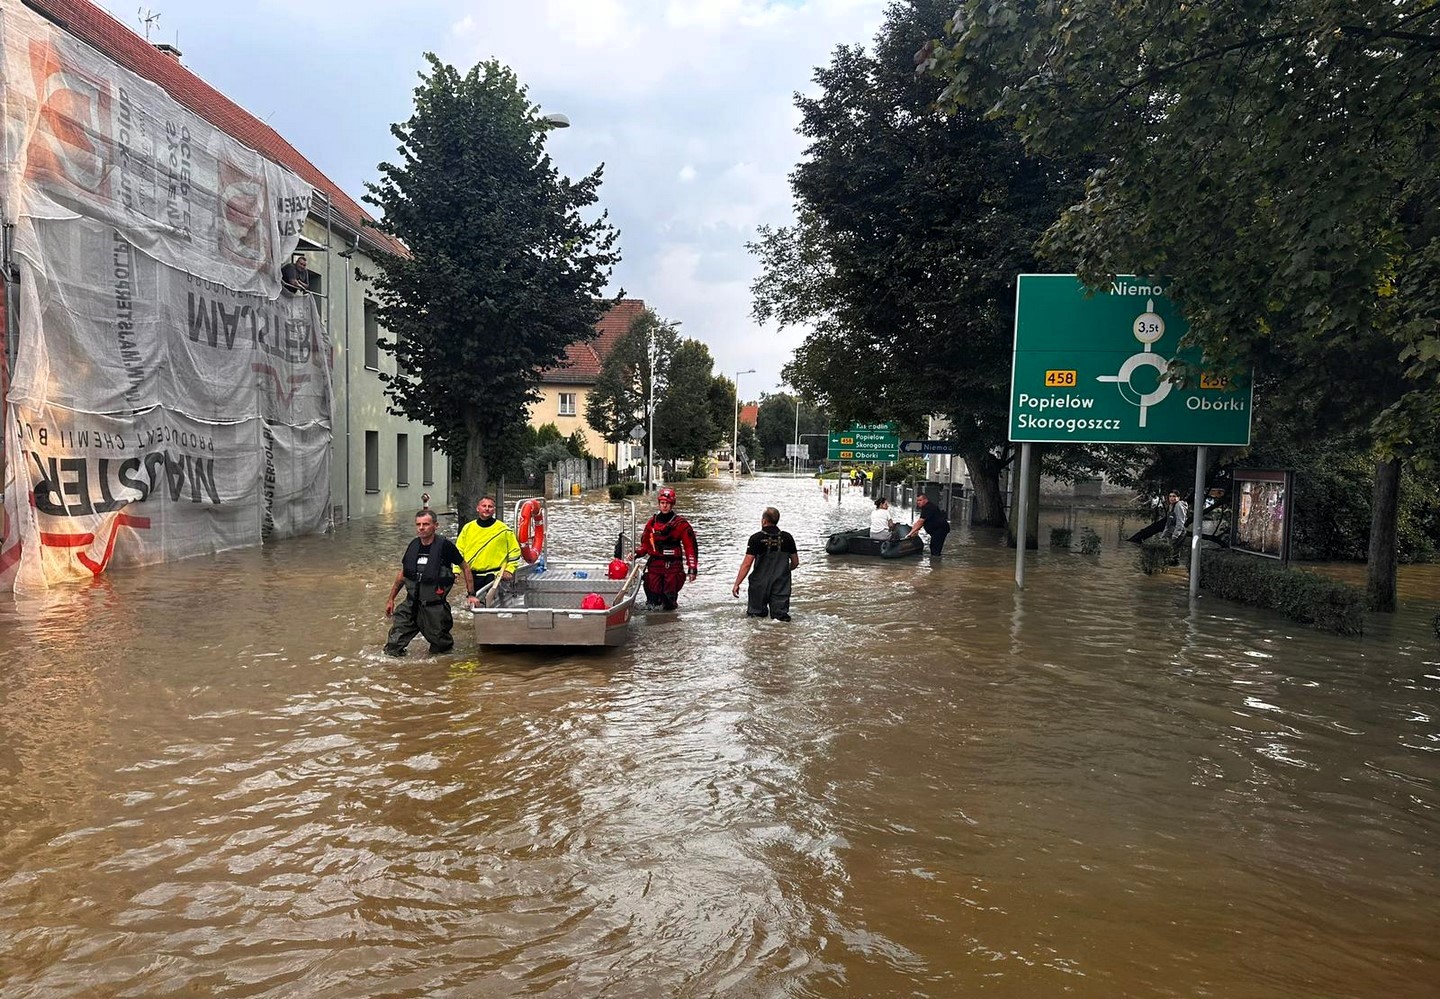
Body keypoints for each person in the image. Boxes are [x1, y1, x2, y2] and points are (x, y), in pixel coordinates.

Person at [384, 509, 475, 656]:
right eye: (418, 524)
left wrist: (471, 594)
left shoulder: (445, 546)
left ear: (435, 525)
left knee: (441, 650)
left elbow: (465, 568)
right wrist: (391, 599)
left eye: (425, 524)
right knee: (392, 647)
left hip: (435, 608)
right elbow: (402, 575)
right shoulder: (413, 545)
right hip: (411, 605)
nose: (421, 528)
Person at [636, 486, 698, 610]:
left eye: (668, 503)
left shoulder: (681, 524)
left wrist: (692, 568)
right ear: (659, 504)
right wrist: (636, 553)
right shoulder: (651, 523)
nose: (664, 506)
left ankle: (670, 625)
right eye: (662, 503)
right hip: (655, 566)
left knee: (669, 602)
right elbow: (645, 545)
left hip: (672, 568)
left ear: (672, 504)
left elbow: (690, 547)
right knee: (652, 602)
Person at [732, 506, 799, 621]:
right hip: (781, 584)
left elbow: (747, 564)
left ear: (764, 521)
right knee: (781, 619)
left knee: (755, 618)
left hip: (759, 584)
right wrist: (783, 571)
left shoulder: (756, 538)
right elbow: (795, 562)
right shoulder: (787, 538)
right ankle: (782, 638)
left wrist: (737, 583)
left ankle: (760, 638)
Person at [456, 495, 522, 596]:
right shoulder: (468, 528)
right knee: (474, 605)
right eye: (484, 506)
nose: (487, 508)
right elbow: (458, 551)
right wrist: (456, 571)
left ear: (494, 510)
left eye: (490, 506)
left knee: (490, 607)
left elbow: (515, 552)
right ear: (477, 508)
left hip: (495, 577)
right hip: (471, 575)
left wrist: (509, 570)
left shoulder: (504, 530)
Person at [1163, 490, 1190, 555]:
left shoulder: (1179, 506)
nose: (1172, 498)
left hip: (1179, 532)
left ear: (1178, 497)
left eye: (1174, 496)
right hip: (1171, 530)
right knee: (1169, 551)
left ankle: (1174, 563)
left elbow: (1180, 522)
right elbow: (1168, 522)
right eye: (1170, 496)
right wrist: (1164, 534)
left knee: (1173, 552)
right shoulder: (1171, 506)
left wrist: (1175, 535)